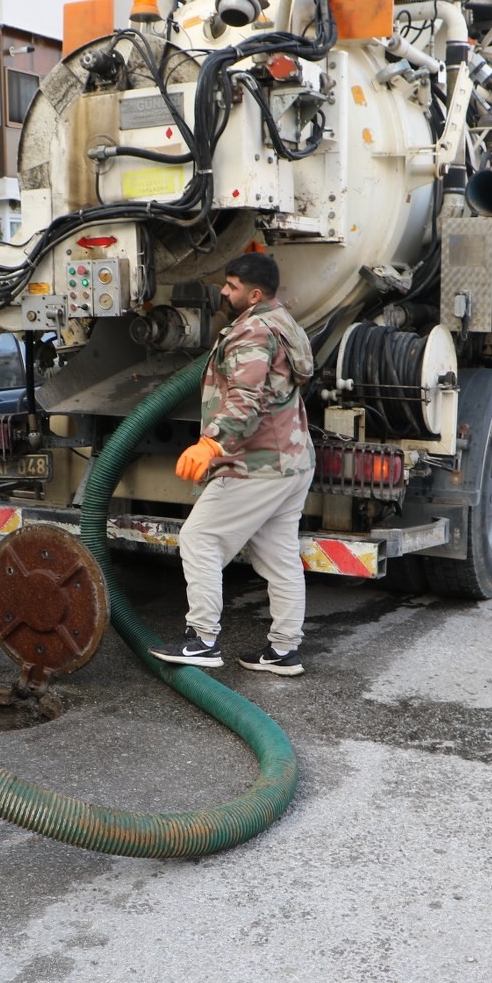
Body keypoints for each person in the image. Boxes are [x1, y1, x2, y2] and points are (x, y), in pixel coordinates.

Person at [151, 252, 316, 677]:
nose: (224, 291)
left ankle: (201, 640)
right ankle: (284, 651)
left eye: (233, 285)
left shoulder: (253, 333)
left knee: (199, 538)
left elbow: (246, 399)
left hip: (257, 465)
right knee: (280, 558)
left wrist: (211, 444)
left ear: (254, 294)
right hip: (294, 461)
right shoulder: (283, 321)